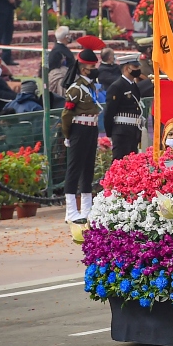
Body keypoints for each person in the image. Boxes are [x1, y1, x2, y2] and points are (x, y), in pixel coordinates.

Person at [61, 46, 102, 223]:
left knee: (88, 167)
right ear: (84, 69)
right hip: (79, 129)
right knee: (74, 168)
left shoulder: (90, 86)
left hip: (91, 128)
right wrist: (67, 135)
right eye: (92, 67)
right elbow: (66, 115)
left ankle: (86, 209)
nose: (95, 70)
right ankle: (71, 210)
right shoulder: (76, 89)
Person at [101, 53, 144, 160]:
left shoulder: (133, 85)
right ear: (126, 68)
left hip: (133, 130)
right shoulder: (117, 86)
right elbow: (109, 112)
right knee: (120, 161)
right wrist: (110, 133)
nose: (138, 69)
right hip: (121, 131)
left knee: (132, 163)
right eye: (135, 67)